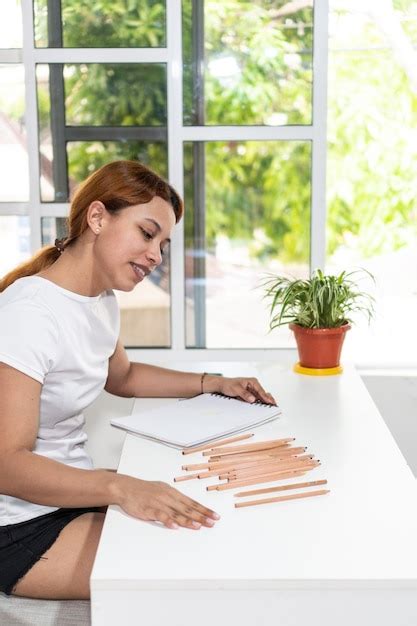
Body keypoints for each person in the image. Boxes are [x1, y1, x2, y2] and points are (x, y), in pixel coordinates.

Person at [0, 160, 276, 601]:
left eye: (163, 244)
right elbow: (6, 465)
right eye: (148, 234)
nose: (156, 255)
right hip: (17, 525)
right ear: (96, 217)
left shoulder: (98, 298)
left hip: (70, 492)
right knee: (190, 573)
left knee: (214, 524)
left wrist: (212, 383)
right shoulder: (29, 314)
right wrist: (119, 485)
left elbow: (123, 377)